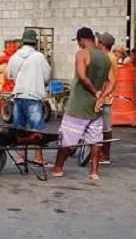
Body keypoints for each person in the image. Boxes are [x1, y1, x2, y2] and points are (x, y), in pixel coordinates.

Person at [52, 27, 114, 180]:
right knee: (95, 141)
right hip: (96, 108)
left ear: (81, 39)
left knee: (68, 141)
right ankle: (94, 172)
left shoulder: (82, 53)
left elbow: (82, 76)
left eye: (78, 41)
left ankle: (58, 168)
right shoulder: (106, 57)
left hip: (78, 106)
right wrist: (101, 97)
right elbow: (112, 82)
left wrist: (95, 92)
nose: (78, 45)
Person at [8, 28, 52, 166]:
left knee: (20, 128)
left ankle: (21, 156)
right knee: (36, 129)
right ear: (35, 42)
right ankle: (38, 157)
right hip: (34, 96)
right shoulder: (39, 57)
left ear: (23, 41)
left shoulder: (15, 56)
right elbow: (47, 76)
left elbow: (10, 75)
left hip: (19, 95)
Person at [96, 32, 118, 165]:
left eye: (99, 42)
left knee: (105, 128)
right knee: (104, 128)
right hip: (106, 96)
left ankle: (105, 155)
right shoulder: (111, 57)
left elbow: (107, 79)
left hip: (105, 97)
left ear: (102, 44)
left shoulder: (108, 58)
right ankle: (102, 154)